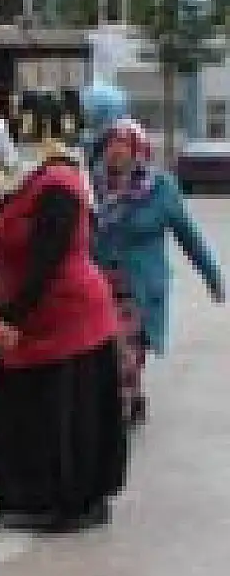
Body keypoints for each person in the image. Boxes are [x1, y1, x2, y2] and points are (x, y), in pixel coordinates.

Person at [0, 139, 127, 532]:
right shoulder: (20, 187)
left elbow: (48, 257)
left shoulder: (59, 186)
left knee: (66, 419)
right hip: (33, 315)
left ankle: (74, 504)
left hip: (69, 317)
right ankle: (9, 492)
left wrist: (11, 317)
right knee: (16, 409)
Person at [91, 118, 225, 425]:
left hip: (139, 288)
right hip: (98, 284)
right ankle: (130, 397)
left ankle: (121, 410)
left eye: (123, 146)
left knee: (126, 350)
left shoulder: (160, 188)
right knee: (103, 350)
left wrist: (213, 277)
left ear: (138, 151)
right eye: (111, 145)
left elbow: (188, 236)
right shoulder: (91, 185)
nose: (115, 152)